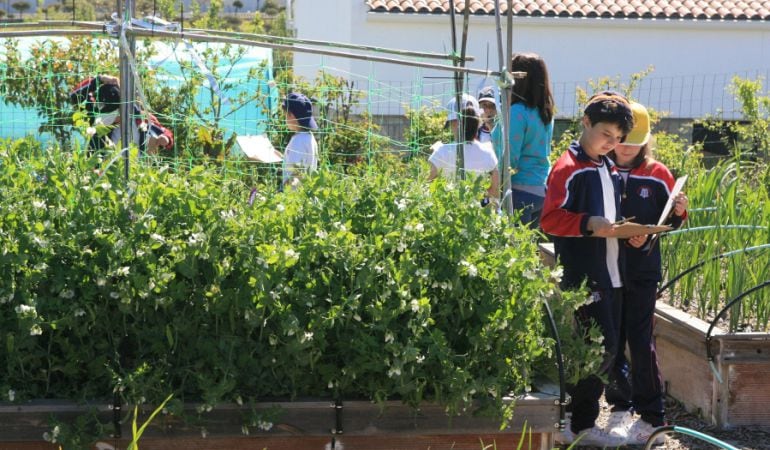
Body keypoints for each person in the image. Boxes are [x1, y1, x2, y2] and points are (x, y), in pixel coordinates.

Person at [540, 91, 635, 447]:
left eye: (617, 139)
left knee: (604, 347)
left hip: (612, 270)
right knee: (601, 346)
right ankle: (578, 424)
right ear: (585, 123)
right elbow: (549, 219)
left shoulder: (607, 165)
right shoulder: (568, 167)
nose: (612, 144)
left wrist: (630, 231)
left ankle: (573, 420)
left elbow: (608, 217)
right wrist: (588, 223)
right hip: (584, 275)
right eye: (606, 135)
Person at [604, 101, 688, 445]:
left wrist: (678, 213)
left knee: (639, 339)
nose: (626, 147)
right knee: (611, 338)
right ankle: (619, 404)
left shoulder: (657, 173)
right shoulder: (600, 168)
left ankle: (653, 415)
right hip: (608, 266)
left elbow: (669, 220)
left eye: (633, 141)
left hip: (642, 269)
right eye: (622, 139)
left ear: (645, 141)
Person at [491, 53, 555, 229]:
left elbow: (509, 159)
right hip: (540, 191)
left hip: (519, 191)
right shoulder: (544, 113)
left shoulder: (518, 112)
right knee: (527, 250)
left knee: (510, 249)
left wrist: (495, 188)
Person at [69, 74, 174, 154]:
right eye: (110, 116)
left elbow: (165, 133)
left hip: (137, 172)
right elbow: (74, 95)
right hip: (105, 171)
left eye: (117, 114)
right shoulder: (97, 116)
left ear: (123, 106)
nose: (115, 118)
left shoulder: (141, 118)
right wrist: (100, 79)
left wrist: (166, 139)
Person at [428, 96, 499, 200]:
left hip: (447, 211)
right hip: (477, 213)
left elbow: (428, 184)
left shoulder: (441, 151)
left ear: (453, 123)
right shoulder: (488, 152)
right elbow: (495, 190)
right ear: (478, 122)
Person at [282, 92, 319, 189]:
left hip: (293, 197)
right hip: (305, 193)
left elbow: (296, 173)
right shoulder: (308, 137)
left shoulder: (298, 141)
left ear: (292, 116)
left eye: (286, 115)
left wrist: (281, 191)